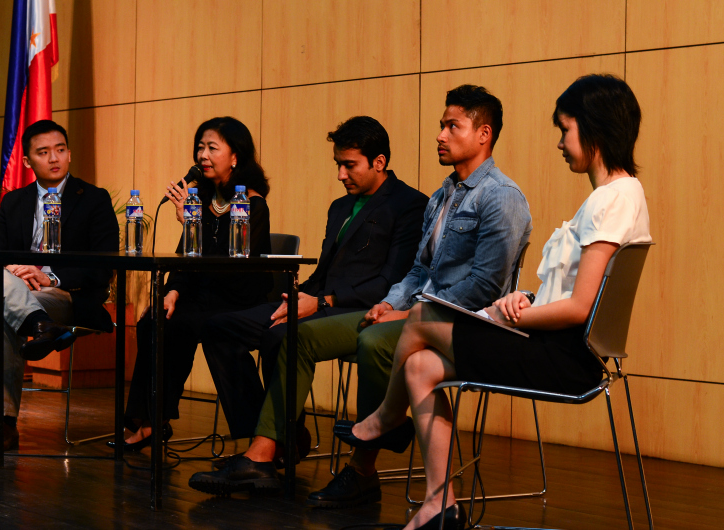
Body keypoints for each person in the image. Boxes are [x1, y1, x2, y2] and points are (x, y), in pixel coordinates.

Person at [338, 74, 651, 530]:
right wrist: (526, 299)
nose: (560, 144)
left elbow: (580, 309)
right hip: (553, 341)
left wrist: (521, 311)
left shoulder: (614, 199)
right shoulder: (614, 196)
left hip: (565, 355)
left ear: (594, 129)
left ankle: (386, 417)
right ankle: (439, 506)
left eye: (565, 130)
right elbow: (571, 294)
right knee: (418, 366)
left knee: (423, 315)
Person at [188, 87, 533, 500]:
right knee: (300, 336)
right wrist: (390, 303)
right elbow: (420, 269)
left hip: (460, 323)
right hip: (417, 311)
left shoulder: (501, 197)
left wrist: (407, 314)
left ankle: (362, 467)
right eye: (441, 124)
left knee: (373, 339)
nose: (440, 134)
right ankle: (265, 451)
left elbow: (485, 286)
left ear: (483, 134)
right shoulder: (443, 196)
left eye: (451, 125)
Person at [186, 116, 429, 490]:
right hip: (322, 301)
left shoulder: (409, 205)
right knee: (219, 327)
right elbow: (325, 270)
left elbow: (390, 282)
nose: (340, 174)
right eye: (338, 164)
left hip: (362, 309)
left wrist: (322, 300)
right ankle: (270, 436)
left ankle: (264, 452)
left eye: (349, 165)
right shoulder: (338, 206)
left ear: (379, 162)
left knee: (283, 336)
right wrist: (299, 295)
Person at [110, 117, 273, 451]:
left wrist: (191, 221)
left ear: (235, 157)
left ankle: (259, 439)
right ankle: (152, 422)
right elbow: (187, 258)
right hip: (202, 298)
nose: (203, 155)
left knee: (212, 328)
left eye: (212, 147)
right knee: (156, 321)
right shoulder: (203, 199)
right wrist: (172, 291)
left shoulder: (253, 204)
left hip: (239, 301)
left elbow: (231, 268)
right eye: (200, 147)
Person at [0, 119, 119, 452]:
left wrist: (49, 276)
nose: (54, 158)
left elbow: (103, 265)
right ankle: (39, 325)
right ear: (27, 161)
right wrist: (19, 273)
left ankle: (4, 426)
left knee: (2, 315)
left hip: (64, 295)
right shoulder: (14, 202)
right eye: (44, 152)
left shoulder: (94, 199)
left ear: (69, 154)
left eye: (61, 150)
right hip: (20, 289)